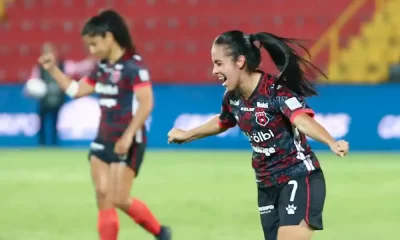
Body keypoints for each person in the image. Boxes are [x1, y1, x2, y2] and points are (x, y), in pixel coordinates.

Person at [167, 30, 349, 240]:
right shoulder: (232, 98)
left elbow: (301, 120)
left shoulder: (275, 91)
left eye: (219, 63)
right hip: (266, 186)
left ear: (240, 61)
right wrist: (187, 135)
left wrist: (331, 142)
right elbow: (222, 121)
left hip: (299, 177)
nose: (214, 70)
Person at [38, 9, 171, 240]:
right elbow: (76, 90)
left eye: (93, 44)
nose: (91, 50)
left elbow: (146, 103)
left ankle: (160, 232)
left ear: (109, 37)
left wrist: (128, 136)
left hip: (128, 139)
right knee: (102, 194)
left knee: (119, 198)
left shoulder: (134, 67)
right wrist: (52, 69)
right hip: (103, 137)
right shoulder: (102, 67)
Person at [27, 42, 95, 146]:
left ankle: (54, 144)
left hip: (58, 100)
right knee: (42, 123)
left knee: (55, 123)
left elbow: (79, 68)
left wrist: (91, 61)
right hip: (44, 101)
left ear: (55, 53)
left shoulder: (64, 65)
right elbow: (32, 82)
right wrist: (29, 90)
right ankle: (42, 145)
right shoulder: (39, 68)